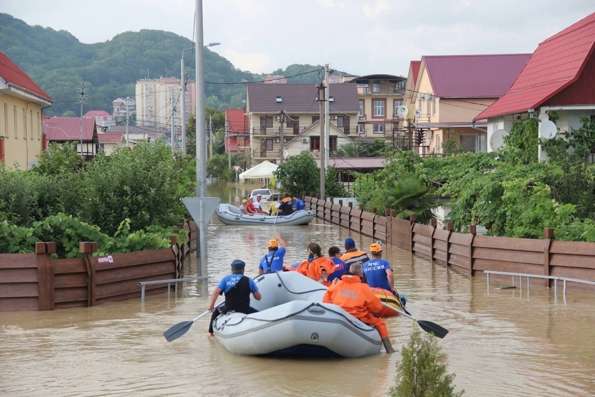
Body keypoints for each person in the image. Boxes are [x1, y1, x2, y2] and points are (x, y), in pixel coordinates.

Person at [323, 262, 394, 353]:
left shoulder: (337, 284)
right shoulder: (364, 288)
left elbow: (326, 299)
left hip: (339, 314)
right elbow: (376, 308)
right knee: (380, 323)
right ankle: (389, 349)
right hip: (358, 316)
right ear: (360, 274)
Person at [208, 259, 262, 335]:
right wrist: (251, 291)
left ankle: (211, 332)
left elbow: (216, 292)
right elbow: (258, 297)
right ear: (243, 269)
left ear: (232, 269)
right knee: (259, 314)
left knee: (216, 311)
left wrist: (211, 306)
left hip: (228, 308)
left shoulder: (226, 279)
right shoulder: (249, 280)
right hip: (244, 309)